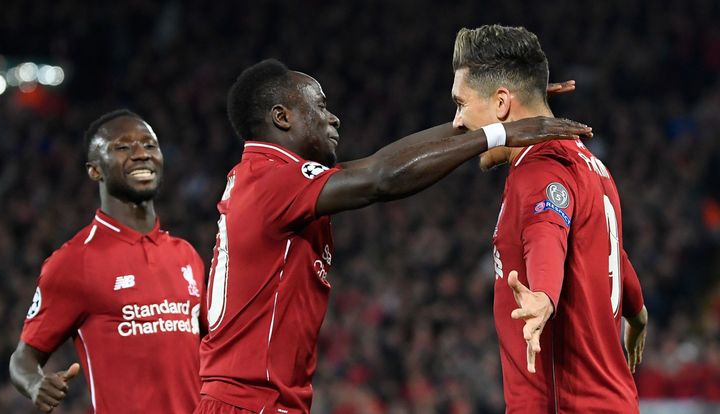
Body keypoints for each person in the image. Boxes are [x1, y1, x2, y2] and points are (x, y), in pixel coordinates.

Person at [195, 58, 592, 414]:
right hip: (250, 403)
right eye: (319, 107)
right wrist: (499, 134)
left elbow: (379, 162)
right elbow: (382, 179)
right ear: (282, 117)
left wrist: (487, 117)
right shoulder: (273, 181)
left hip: (250, 400)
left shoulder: (263, 177)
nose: (333, 118)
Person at [450, 25, 649, 413]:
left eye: (460, 104)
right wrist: (638, 315)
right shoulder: (591, 166)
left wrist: (542, 297)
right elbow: (613, 257)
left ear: (502, 103)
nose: (457, 122)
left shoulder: (537, 172)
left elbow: (547, 234)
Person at [9, 109, 206, 413]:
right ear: (94, 171)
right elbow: (23, 359)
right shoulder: (74, 261)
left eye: (150, 145)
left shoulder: (187, 255)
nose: (141, 153)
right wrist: (35, 384)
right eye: (123, 147)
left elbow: (214, 350)